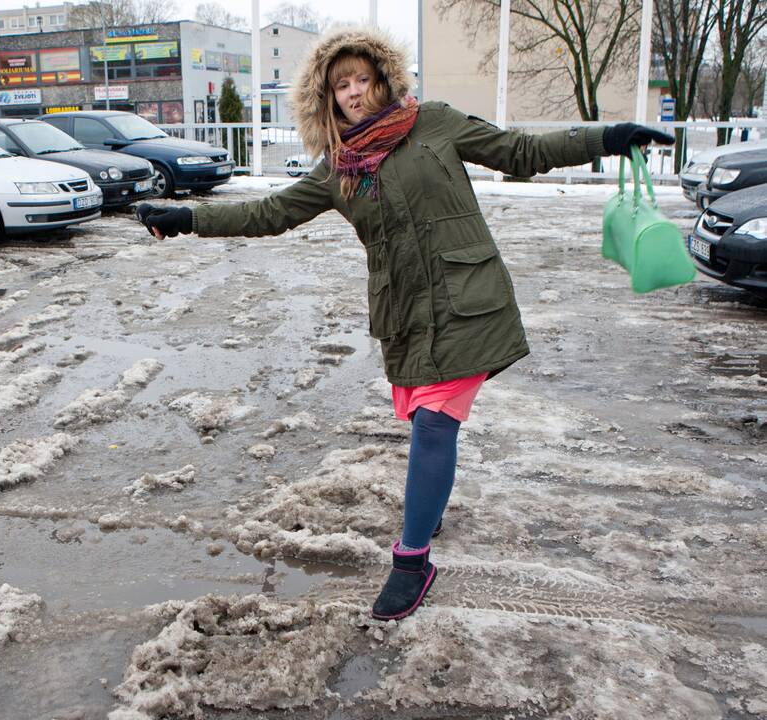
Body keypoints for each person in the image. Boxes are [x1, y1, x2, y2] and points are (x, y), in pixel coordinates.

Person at [136, 28, 673, 621]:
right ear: (328, 98)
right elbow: (268, 212)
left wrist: (609, 136)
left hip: (469, 299)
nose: (355, 94)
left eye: (363, 79)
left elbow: (520, 151)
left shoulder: (433, 123)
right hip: (406, 312)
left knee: (435, 427)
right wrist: (188, 216)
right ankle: (430, 506)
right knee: (426, 422)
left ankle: (412, 560)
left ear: (384, 79)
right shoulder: (338, 169)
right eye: (342, 86)